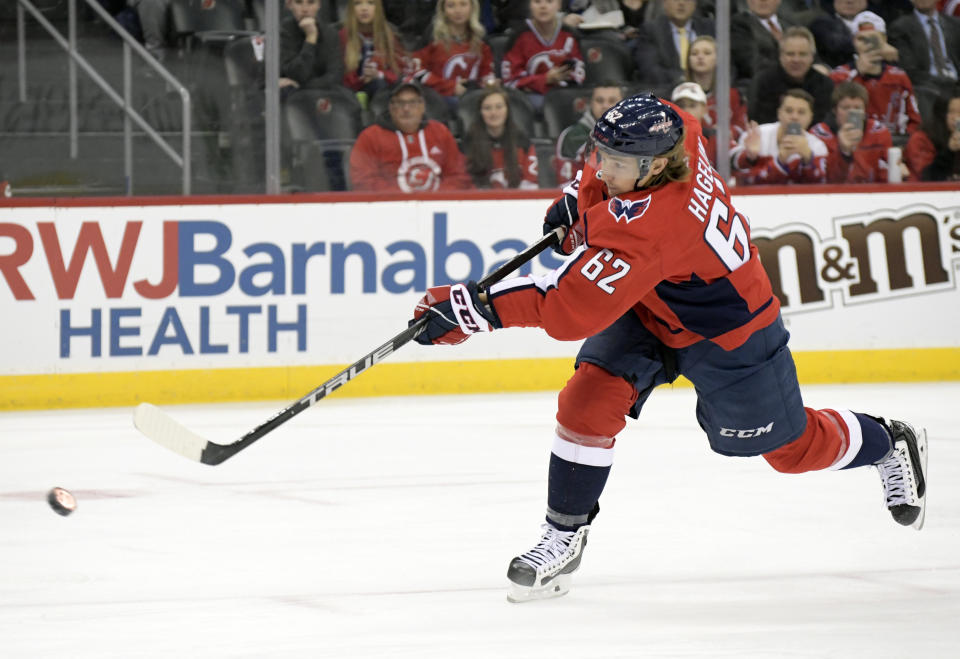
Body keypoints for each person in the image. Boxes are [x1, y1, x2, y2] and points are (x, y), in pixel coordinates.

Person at [408, 92, 928, 603]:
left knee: (788, 451)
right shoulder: (676, 127)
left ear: (654, 167)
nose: (602, 168)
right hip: (651, 306)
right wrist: (580, 193)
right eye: (600, 155)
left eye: (615, 163)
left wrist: (468, 309)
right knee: (587, 401)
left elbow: (568, 308)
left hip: (729, 332)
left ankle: (888, 442)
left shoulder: (656, 226)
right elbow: (620, 159)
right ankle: (564, 536)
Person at [349, 81, 472, 191]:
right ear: (391, 108)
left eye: (412, 102)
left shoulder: (440, 132)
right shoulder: (370, 137)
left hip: (437, 208)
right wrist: (402, 200)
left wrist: (436, 198)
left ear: (422, 107)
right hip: (390, 209)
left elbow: (458, 174)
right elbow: (362, 181)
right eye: (400, 103)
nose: (406, 109)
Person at [829, 12, 920, 137]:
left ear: (885, 40)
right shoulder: (839, 75)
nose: (868, 45)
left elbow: (914, 120)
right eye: (862, 39)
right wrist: (857, 73)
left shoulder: (899, 77)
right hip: (854, 142)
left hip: (894, 143)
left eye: (874, 38)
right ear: (853, 41)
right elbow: (831, 117)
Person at [410, 0, 499, 107]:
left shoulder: (481, 37)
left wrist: (488, 83)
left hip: (473, 96)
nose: (458, 11)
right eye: (451, 6)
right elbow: (417, 71)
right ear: (443, 10)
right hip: (439, 99)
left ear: (472, 7)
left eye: (463, 4)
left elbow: (486, 71)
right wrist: (450, 87)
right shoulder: (433, 35)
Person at [732, 88, 829, 184]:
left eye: (801, 112)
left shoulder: (817, 146)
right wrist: (751, 158)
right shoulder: (755, 136)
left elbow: (822, 189)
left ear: (810, 117)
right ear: (779, 113)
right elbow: (743, 184)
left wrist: (808, 158)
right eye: (789, 110)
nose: (794, 117)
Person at [502, 0, 586, 110]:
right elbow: (510, 82)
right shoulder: (518, 36)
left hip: (564, 94)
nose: (543, 6)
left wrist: (564, 81)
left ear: (559, 5)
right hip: (530, 98)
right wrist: (545, 79)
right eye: (537, 2)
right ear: (530, 5)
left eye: (549, 1)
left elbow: (579, 74)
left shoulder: (570, 35)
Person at [810, 81, 898, 182]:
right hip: (833, 195)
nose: (851, 113)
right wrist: (844, 152)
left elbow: (886, 175)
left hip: (871, 194)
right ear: (835, 110)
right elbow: (822, 179)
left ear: (865, 110)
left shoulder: (878, 132)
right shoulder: (819, 134)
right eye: (845, 108)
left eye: (857, 108)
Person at [748, 25, 835, 125]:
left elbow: (824, 123)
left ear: (812, 57)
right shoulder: (763, 82)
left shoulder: (825, 85)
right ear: (780, 56)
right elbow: (758, 120)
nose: (796, 60)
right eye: (790, 54)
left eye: (802, 54)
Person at [462, 87, 540, 188]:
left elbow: (531, 184)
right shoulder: (469, 142)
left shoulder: (522, 141)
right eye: (487, 108)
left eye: (499, 107)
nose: (493, 113)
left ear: (507, 110)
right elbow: (464, 182)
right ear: (480, 112)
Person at [632, 0, 715, 88]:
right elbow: (649, 70)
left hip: (710, 90)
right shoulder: (651, 30)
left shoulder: (710, 27)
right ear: (664, 3)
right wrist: (686, 79)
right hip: (668, 93)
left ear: (695, 4)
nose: (681, 3)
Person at [554, 81, 624, 183]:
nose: (605, 105)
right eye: (599, 101)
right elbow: (565, 183)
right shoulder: (572, 135)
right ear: (590, 103)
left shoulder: (637, 133)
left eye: (612, 101)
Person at [685, 35, 749, 143]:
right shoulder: (681, 94)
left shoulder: (732, 95)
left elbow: (741, 126)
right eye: (694, 53)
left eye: (707, 53)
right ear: (688, 60)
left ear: (718, 58)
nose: (700, 57)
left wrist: (729, 131)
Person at [340, 0, 406, 102]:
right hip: (349, 95)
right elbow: (336, 76)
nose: (364, 8)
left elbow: (399, 74)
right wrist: (360, 78)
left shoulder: (389, 36)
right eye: (358, 3)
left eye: (370, 3)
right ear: (351, 9)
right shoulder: (342, 36)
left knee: (380, 85)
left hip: (382, 90)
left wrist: (379, 74)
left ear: (378, 8)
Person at [888, 0, 960, 93]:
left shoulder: (955, 25)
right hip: (926, 88)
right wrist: (945, 83)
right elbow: (909, 70)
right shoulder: (900, 27)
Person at [281, 0, 345, 91]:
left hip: (324, 94)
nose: (305, 9)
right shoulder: (281, 33)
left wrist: (302, 86)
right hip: (291, 99)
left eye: (311, 2)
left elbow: (335, 76)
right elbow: (298, 74)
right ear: (290, 5)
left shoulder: (331, 34)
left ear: (319, 5)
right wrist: (310, 39)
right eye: (298, 2)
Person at [730, 0, 795, 81]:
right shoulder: (738, 25)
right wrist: (792, 69)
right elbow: (751, 63)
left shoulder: (791, 24)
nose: (762, 0)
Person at [904, 88, 960, 180]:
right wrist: (949, 152)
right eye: (952, 112)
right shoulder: (921, 139)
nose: (957, 118)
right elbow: (927, 178)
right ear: (941, 113)